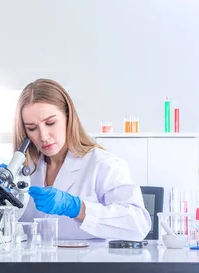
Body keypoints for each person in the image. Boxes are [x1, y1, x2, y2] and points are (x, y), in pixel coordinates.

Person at [9, 78, 151, 240]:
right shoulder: (24, 171)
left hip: (89, 263)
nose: (43, 136)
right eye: (32, 128)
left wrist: (78, 208)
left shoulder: (103, 164)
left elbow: (138, 225)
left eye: (50, 123)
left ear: (69, 118)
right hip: (36, 263)